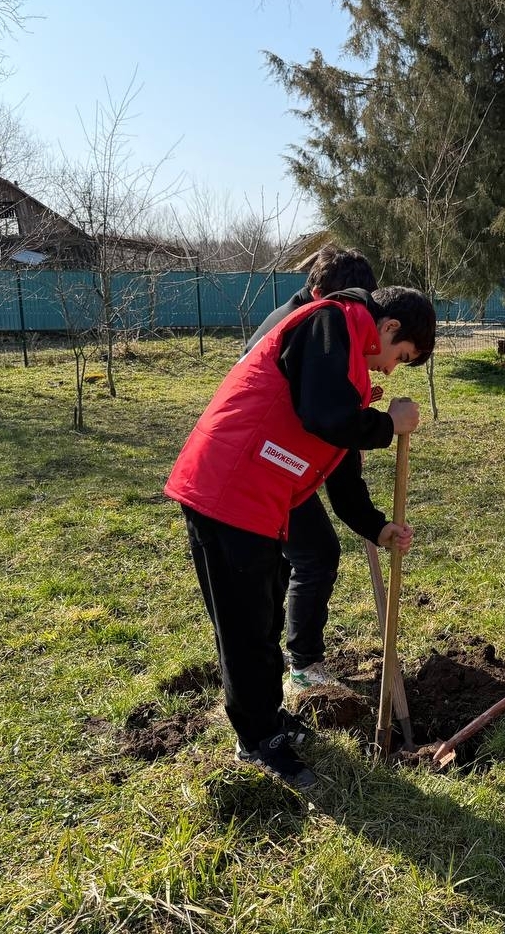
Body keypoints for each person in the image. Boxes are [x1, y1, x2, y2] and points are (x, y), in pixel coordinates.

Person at [165, 284, 436, 787]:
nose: (391, 369)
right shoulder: (329, 323)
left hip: (261, 503)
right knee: (247, 630)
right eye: (400, 355)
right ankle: (258, 741)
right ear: (390, 327)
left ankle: (269, 722)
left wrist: (378, 527)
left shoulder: (348, 368)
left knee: (263, 620)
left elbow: (341, 470)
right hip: (227, 493)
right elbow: (326, 419)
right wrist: (387, 424)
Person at [243, 246, 381, 692]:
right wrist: (365, 425)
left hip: (277, 465)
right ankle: (302, 665)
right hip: (263, 469)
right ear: (320, 292)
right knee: (315, 553)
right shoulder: (317, 323)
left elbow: (326, 417)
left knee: (290, 561)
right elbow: (321, 415)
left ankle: (284, 658)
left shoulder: (306, 320)